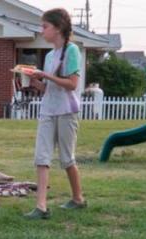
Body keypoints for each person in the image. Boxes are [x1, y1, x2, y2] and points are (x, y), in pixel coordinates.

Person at [22, 8, 86, 220]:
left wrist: (46, 75)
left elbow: (72, 84)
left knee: (67, 159)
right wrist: (36, 83)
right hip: (48, 111)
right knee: (42, 157)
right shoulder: (49, 55)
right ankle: (41, 207)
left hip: (67, 112)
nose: (42, 31)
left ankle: (78, 199)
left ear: (58, 28)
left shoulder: (72, 51)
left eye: (45, 27)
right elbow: (50, 89)